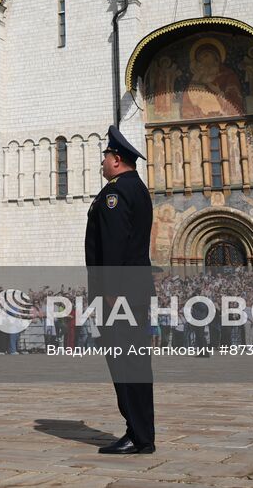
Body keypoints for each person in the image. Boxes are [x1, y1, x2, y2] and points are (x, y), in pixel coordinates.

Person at [86, 125, 155, 455]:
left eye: (105, 157)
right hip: (135, 289)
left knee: (126, 365)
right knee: (135, 364)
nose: (102, 162)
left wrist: (110, 292)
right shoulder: (137, 188)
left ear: (116, 159)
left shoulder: (115, 193)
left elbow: (113, 243)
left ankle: (138, 434)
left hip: (119, 294)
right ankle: (141, 432)